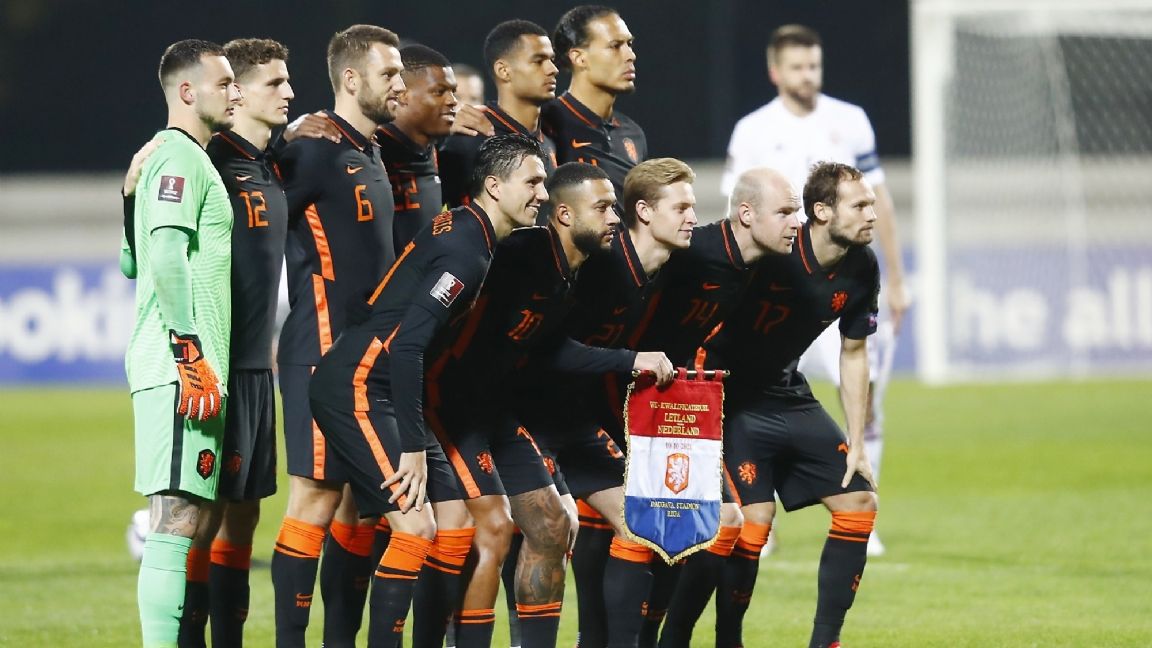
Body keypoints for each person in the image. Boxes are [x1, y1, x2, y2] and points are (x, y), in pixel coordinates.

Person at [306, 133, 548, 647]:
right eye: (532, 182)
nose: (542, 194)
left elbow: (376, 304)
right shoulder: (467, 254)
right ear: (494, 186)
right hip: (360, 385)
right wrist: (413, 448)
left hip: (378, 382)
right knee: (415, 528)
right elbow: (409, 347)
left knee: (454, 520)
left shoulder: (461, 224)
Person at [420, 161, 673, 648]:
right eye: (602, 207)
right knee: (483, 528)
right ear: (564, 214)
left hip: (494, 408)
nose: (614, 218)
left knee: (554, 524)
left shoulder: (570, 271)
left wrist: (629, 359)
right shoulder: (519, 255)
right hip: (447, 399)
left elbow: (548, 350)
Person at [721, 24, 907, 556]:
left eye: (815, 66)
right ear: (775, 71)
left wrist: (897, 279)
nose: (808, 76)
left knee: (867, 392)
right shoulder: (752, 130)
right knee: (755, 392)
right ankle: (757, 514)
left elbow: (879, 201)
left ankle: (861, 503)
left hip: (837, 287)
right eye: (798, 67)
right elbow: (735, 210)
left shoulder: (850, 120)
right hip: (778, 289)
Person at [616, 168, 803, 648]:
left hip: (669, 403)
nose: (795, 222)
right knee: (610, 532)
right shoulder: (691, 253)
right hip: (623, 397)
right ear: (747, 214)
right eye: (785, 211)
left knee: (708, 525)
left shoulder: (758, 267)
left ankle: (661, 637)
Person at [697, 161, 880, 648]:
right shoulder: (775, 248)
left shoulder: (862, 266)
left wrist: (858, 442)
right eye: (860, 205)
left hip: (784, 391)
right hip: (729, 397)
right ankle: (728, 639)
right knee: (754, 522)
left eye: (871, 204)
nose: (872, 213)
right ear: (822, 211)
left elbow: (854, 351)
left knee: (860, 501)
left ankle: (825, 642)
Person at [516, 157, 696, 648]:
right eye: (681, 207)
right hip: (525, 419)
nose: (692, 218)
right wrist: (630, 359)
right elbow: (548, 350)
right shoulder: (598, 266)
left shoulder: (656, 272)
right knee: (533, 533)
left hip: (574, 421)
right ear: (645, 212)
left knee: (642, 524)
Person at [271, 24, 406, 648]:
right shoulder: (313, 149)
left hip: (366, 356)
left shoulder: (369, 147)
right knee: (315, 500)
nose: (400, 84)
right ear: (351, 79)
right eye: (389, 74)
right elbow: (249, 203)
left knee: (359, 508)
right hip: (322, 350)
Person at [123, 38, 239, 648]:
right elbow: (163, 254)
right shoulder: (181, 158)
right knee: (174, 523)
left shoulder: (172, 159)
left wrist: (127, 201)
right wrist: (188, 350)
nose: (235, 92)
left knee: (185, 520)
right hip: (180, 368)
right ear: (187, 92)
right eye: (224, 83)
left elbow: (129, 260)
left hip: (187, 367)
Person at [439, 19, 559, 209]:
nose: (553, 69)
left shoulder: (550, 141)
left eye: (551, 60)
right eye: (538, 61)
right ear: (504, 71)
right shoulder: (470, 137)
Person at [543, 5, 646, 196]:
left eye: (629, 44)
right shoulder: (547, 123)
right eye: (615, 46)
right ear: (579, 58)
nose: (630, 55)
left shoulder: (633, 133)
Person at [379, 44, 459, 253]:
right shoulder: (371, 149)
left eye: (453, 92)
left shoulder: (444, 153)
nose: (453, 101)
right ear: (402, 94)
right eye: (439, 92)